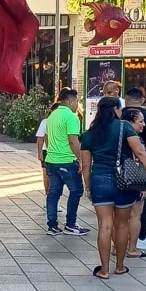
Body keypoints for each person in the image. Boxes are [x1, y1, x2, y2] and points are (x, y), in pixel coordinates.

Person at [81, 98, 146, 278]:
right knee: (121, 225)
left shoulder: (89, 133)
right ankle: (119, 266)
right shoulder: (124, 127)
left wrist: (89, 186)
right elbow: (140, 152)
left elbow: (86, 166)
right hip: (124, 182)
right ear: (115, 110)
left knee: (104, 226)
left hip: (100, 180)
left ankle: (104, 270)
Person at [44, 89, 89, 235]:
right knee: (76, 191)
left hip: (51, 160)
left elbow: (46, 138)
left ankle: (52, 225)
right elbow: (73, 141)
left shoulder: (52, 115)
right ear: (70, 101)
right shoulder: (71, 117)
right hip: (67, 161)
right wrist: (81, 160)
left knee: (53, 193)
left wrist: (52, 151)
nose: (78, 105)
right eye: (77, 101)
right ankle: (71, 224)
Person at [122, 88, 146, 253]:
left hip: (121, 165)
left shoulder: (119, 114)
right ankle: (141, 237)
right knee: (141, 205)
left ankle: (120, 243)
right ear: (142, 99)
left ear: (126, 99)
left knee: (122, 206)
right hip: (140, 164)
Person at [36, 115, 49, 194]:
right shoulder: (45, 122)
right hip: (46, 150)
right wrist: (40, 152)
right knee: (46, 174)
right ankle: (48, 195)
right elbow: (40, 138)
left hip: (61, 151)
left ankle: (53, 197)